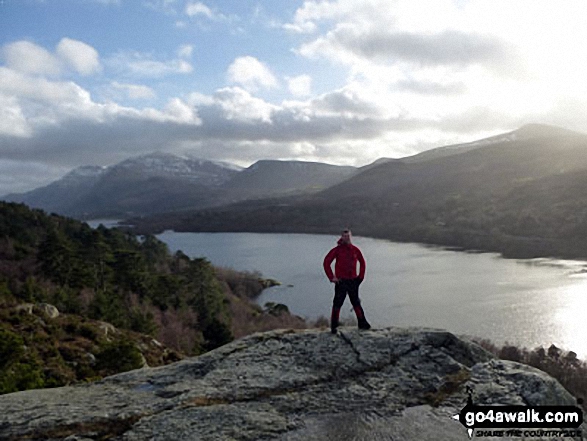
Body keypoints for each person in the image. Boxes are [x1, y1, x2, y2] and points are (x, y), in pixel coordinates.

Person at [323, 229, 371, 333]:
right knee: (337, 303)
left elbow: (362, 263)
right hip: (341, 281)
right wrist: (332, 277)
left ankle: (362, 323)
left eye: (348, 236)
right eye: (345, 236)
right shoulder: (337, 250)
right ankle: (334, 326)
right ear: (342, 237)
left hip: (353, 281)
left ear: (351, 237)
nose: (347, 238)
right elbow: (326, 262)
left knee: (356, 302)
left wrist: (360, 277)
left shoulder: (355, 250)